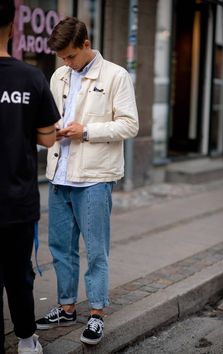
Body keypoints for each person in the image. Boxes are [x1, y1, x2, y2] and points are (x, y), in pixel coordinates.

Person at [35, 16, 139, 345]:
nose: (66, 63)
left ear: (86, 44)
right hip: (59, 175)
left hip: (95, 178)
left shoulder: (116, 76)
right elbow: (51, 120)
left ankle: (96, 313)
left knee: (95, 250)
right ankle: (66, 307)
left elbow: (129, 125)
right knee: (61, 249)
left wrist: (87, 131)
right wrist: (51, 132)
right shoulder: (58, 76)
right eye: (62, 58)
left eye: (70, 56)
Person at [0, 1, 61, 353]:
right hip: (18, 201)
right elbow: (48, 137)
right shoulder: (31, 77)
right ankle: (26, 340)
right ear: (12, 27)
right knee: (19, 276)